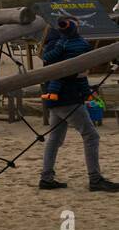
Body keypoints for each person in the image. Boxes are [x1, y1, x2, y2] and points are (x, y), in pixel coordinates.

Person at [39, 16, 117, 192]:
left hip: (56, 99)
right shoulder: (61, 45)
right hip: (68, 99)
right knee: (91, 136)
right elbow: (66, 71)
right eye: (77, 26)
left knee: (55, 139)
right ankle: (95, 179)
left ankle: (46, 177)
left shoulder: (54, 44)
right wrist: (80, 79)